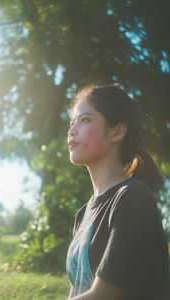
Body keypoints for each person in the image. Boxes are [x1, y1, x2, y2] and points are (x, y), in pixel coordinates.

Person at [66, 84, 169, 300]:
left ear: (117, 132)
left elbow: (105, 295)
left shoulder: (133, 197)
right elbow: (77, 289)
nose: (71, 130)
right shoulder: (83, 215)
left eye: (84, 120)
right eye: (72, 122)